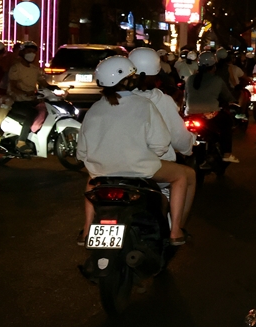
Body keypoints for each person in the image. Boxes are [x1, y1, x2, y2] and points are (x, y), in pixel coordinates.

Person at [77, 56, 194, 248]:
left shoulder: (95, 108)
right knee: (181, 175)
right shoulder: (144, 105)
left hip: (102, 171)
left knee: (92, 182)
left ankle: (87, 229)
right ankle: (175, 231)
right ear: (130, 80)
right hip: (140, 169)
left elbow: (81, 152)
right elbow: (161, 145)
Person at [126, 47, 197, 229]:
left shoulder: (112, 99)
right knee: (187, 176)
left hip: (110, 164)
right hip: (146, 165)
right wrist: (189, 146)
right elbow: (178, 139)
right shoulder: (159, 100)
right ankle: (176, 229)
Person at [184, 52, 240, 162]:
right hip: (209, 115)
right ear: (214, 66)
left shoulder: (190, 79)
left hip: (190, 114)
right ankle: (227, 154)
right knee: (227, 122)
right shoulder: (217, 80)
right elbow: (228, 97)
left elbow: (186, 97)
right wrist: (233, 101)